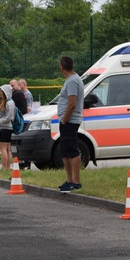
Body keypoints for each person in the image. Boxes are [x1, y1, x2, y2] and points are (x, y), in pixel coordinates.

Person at [56, 55, 85, 193]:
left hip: (70, 121)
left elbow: (72, 103)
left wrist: (64, 119)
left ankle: (76, 181)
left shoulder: (72, 81)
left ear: (61, 67)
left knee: (72, 150)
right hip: (67, 120)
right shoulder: (72, 80)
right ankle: (69, 180)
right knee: (65, 151)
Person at [0, 85, 16, 170]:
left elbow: (8, 117)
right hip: (7, 128)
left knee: (3, 148)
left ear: (6, 92)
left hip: (6, 128)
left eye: (2, 91)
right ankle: (7, 167)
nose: (0, 93)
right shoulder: (10, 102)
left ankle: (4, 167)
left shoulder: (9, 103)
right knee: (7, 149)